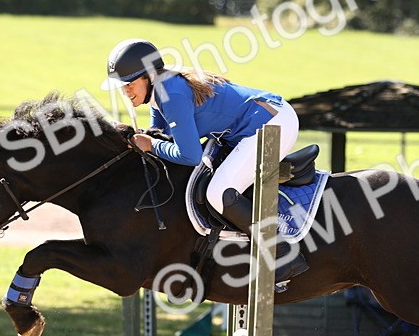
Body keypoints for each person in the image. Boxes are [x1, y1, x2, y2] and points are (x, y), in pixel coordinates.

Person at [101, 39, 307, 285]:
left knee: (218, 193)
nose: (126, 93)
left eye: (130, 85)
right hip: (255, 123)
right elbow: (159, 133)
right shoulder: (161, 90)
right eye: (123, 87)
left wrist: (150, 145)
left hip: (272, 124)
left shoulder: (172, 94)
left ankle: (282, 254)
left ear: (148, 76)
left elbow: (190, 156)